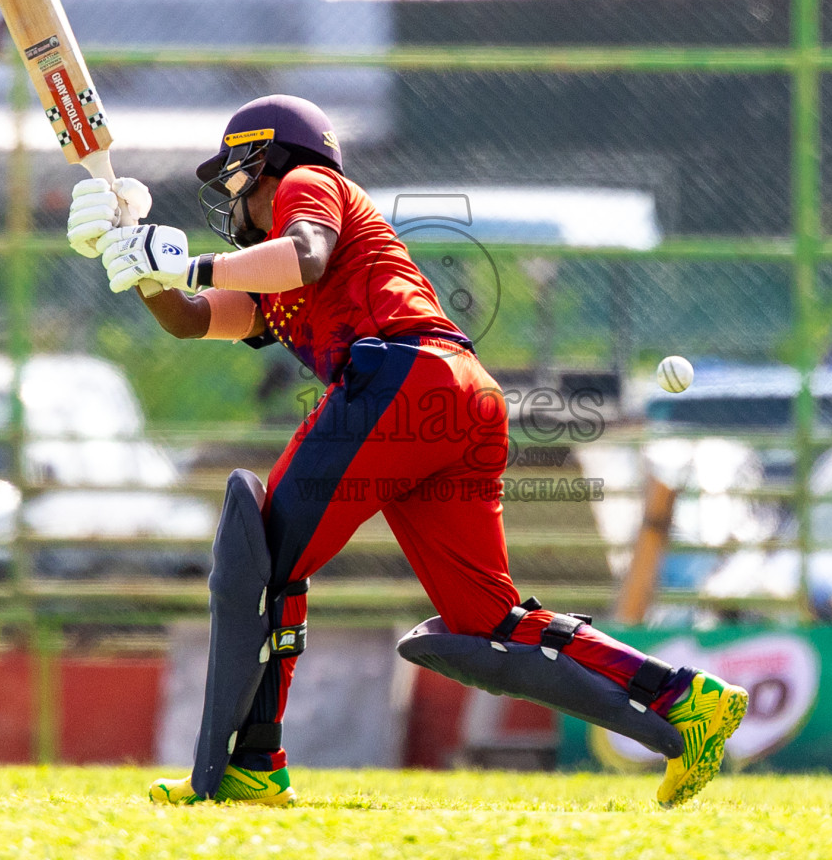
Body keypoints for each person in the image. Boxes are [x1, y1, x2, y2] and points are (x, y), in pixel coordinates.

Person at [67, 94, 746, 808]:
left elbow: (304, 255)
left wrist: (187, 262)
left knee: (265, 557)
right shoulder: (269, 282)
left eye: (236, 176)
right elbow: (189, 320)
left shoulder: (309, 185)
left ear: (267, 159)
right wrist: (135, 257)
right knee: (491, 621)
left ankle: (255, 762)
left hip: (403, 375)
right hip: (461, 400)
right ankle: (682, 699)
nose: (232, 196)